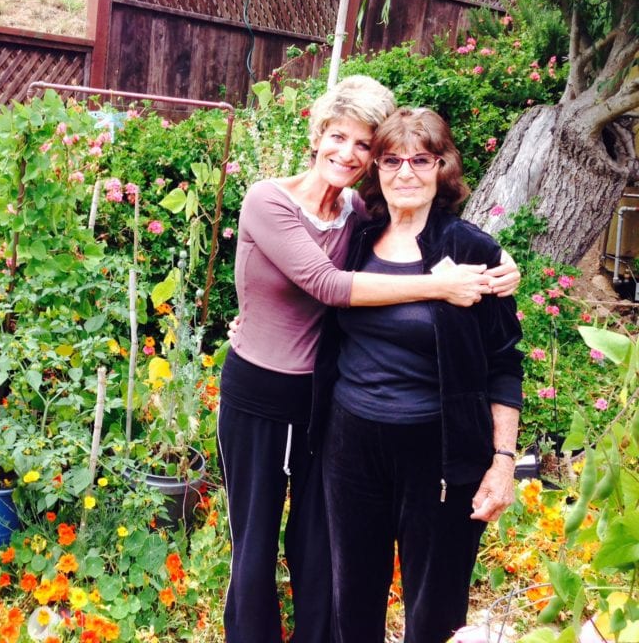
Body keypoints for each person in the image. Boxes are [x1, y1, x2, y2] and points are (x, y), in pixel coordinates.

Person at [219, 77, 519, 643]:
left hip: (327, 409)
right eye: (339, 137)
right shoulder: (271, 200)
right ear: (317, 135)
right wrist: (437, 287)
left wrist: (505, 265)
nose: (349, 155)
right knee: (255, 547)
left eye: (364, 145)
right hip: (265, 396)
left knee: (320, 553)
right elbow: (329, 285)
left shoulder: (359, 215)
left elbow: (497, 343)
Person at [315, 107, 524, 643]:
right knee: (352, 597)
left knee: (435, 607)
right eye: (391, 160)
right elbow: (309, 280)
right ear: (377, 170)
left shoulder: (471, 249)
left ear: (441, 167)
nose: (405, 172)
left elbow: (504, 361)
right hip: (351, 443)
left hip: (439, 450)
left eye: (420, 160)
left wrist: (502, 463)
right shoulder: (358, 237)